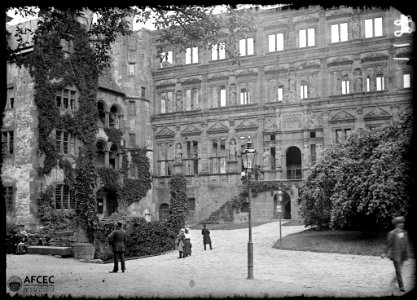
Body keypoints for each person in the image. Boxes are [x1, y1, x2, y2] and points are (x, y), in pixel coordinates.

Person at [381, 216, 410, 292]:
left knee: (399, 270)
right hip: (396, 255)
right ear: (396, 224)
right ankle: (401, 286)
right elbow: (388, 244)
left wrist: (407, 252)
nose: (401, 224)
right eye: (399, 223)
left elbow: (406, 243)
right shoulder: (392, 233)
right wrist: (384, 252)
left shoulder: (405, 233)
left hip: (403, 255)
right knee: (399, 271)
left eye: (402, 223)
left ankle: (394, 279)